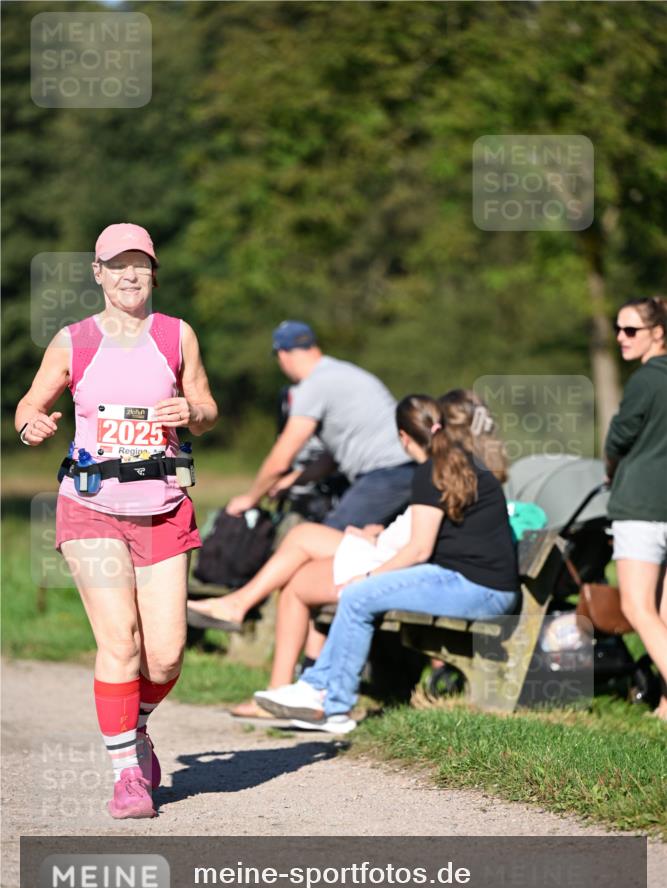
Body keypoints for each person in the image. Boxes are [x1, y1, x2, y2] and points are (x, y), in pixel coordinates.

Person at [15, 223, 218, 818]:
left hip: (163, 507)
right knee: (120, 643)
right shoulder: (73, 341)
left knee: (166, 656)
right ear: (98, 273)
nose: (131, 275)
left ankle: (139, 726)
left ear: (153, 272)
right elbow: (31, 404)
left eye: (141, 265)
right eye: (117, 265)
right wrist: (31, 422)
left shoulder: (177, 336)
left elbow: (206, 406)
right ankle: (126, 774)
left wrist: (194, 411)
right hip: (91, 506)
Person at [254, 395, 520, 732]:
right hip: (479, 583)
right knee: (359, 595)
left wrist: (367, 575)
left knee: (358, 595)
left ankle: (331, 705)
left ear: (404, 437)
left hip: (476, 588)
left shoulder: (432, 471)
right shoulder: (459, 462)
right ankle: (315, 688)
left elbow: (419, 549)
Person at [225, 320, 415, 529]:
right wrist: (290, 482)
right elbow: (330, 461)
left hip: (386, 473)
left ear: (282, 355)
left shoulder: (313, 385)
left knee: (324, 540)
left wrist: (251, 498)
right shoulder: (345, 372)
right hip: (411, 467)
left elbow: (281, 458)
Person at [604, 295, 667, 720]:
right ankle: (665, 707)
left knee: (637, 607)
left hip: (642, 506)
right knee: (663, 611)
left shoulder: (647, 379)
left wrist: (611, 465)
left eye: (631, 330)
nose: (621, 338)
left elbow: (619, 440)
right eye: (618, 329)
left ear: (658, 333)